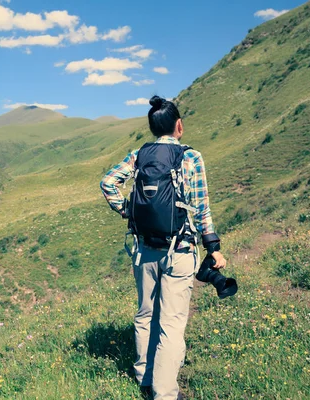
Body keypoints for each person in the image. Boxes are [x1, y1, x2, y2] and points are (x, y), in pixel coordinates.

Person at [100, 95, 227, 400]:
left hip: (143, 249)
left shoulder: (139, 154)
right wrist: (214, 248)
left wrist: (126, 210)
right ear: (178, 125)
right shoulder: (191, 157)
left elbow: (108, 182)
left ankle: (145, 377)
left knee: (146, 313)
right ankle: (165, 393)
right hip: (179, 249)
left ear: (154, 127)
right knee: (171, 322)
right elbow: (202, 208)